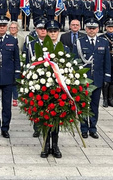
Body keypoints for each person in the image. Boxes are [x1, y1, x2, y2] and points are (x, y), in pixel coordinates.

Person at [73, 18, 111, 139]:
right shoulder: (80, 42)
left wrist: (107, 77)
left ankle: (93, 128)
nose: (91, 30)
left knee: (94, 105)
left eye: (94, 28)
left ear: (98, 29)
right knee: (83, 104)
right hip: (84, 80)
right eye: (89, 28)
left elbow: (107, 62)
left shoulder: (103, 42)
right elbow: (75, 61)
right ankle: (84, 128)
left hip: (98, 79)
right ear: (86, 29)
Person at [40, 20, 70, 159]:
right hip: (44, 88)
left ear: (59, 32)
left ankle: (55, 145)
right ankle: (46, 145)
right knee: (45, 117)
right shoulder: (41, 48)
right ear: (46, 32)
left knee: (56, 116)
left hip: (59, 88)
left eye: (55, 31)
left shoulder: (65, 48)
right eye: (50, 31)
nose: (53, 33)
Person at [8, 21, 23, 107]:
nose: (13, 29)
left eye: (15, 28)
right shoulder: (6, 38)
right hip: (9, 62)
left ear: (17, 29)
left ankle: (15, 97)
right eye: (11, 28)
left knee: (16, 80)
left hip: (19, 61)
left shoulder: (21, 38)